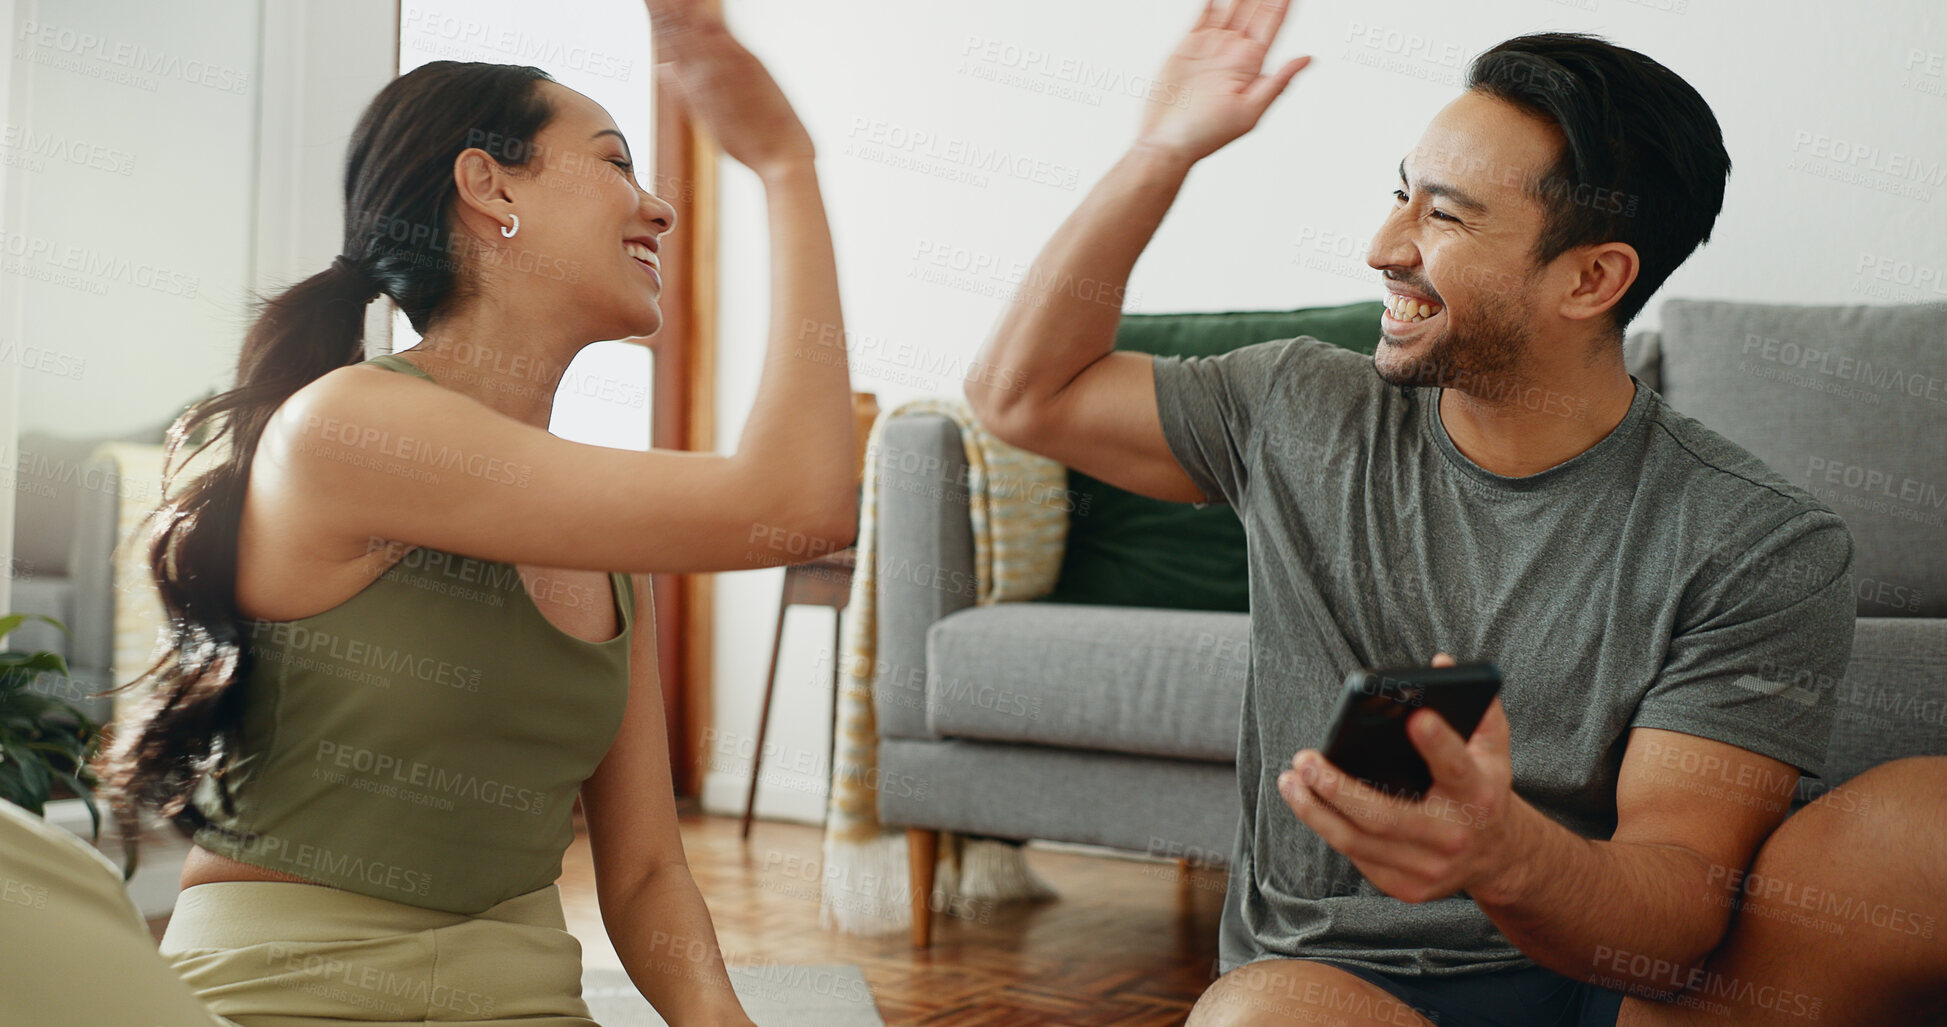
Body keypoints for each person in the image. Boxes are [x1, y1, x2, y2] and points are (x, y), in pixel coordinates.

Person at [963, 2, 1947, 1024]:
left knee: (1927, 822)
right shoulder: (1300, 408)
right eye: (1401, 194)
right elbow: (1021, 396)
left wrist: (1502, 851)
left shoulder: (1758, 540)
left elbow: (1677, 907)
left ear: (1592, 278)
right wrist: (1163, 149)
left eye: (1444, 215)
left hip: (1623, 990)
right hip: (1348, 983)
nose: (1384, 246)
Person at [95, 2, 855, 1024]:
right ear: (489, 185)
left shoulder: (600, 531)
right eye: (615, 163)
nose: (657, 208)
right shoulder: (350, 425)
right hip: (287, 990)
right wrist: (787, 169)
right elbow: (797, 505)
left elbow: (641, 878)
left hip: (522, 996)